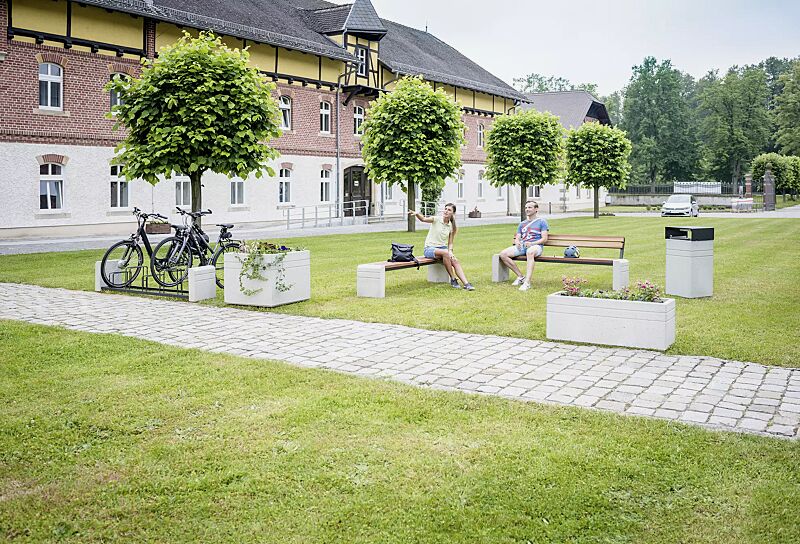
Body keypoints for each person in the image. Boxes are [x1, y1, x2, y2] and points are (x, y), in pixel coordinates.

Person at [408, 203, 475, 291]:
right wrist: (417, 214)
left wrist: (450, 251)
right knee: (446, 253)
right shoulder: (436, 219)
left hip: (443, 250)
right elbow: (424, 219)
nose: (446, 211)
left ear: (453, 213)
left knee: (455, 260)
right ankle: (453, 279)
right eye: (445, 209)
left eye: (449, 210)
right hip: (429, 249)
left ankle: (466, 284)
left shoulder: (451, 226)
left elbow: (450, 242)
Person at [499, 199, 549, 291]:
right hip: (522, 246)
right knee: (503, 254)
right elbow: (518, 236)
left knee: (530, 252)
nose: (527, 209)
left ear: (536, 209)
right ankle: (521, 276)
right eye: (526, 207)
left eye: (529, 207)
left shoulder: (542, 222)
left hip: (536, 246)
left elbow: (544, 239)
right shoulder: (522, 224)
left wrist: (532, 243)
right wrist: (517, 241)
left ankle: (527, 283)